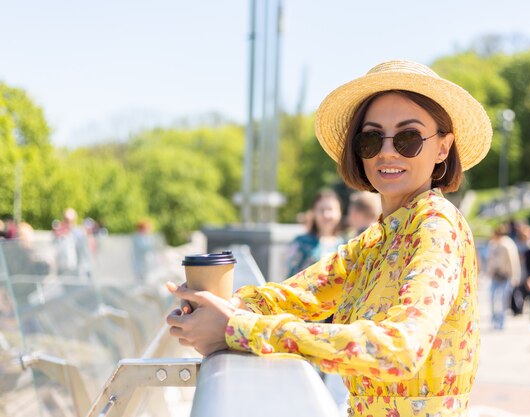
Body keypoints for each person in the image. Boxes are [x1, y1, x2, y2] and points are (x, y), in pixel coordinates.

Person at [166, 60, 492, 416]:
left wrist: (235, 328)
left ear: (443, 148)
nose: (387, 151)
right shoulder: (377, 240)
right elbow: (298, 295)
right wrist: (214, 306)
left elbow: (400, 349)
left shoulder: (436, 224)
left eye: (408, 138)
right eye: (371, 138)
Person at [285, 189, 346, 278]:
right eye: (321, 210)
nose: (326, 215)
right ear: (313, 212)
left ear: (340, 212)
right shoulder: (301, 243)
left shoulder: (344, 246)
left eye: (330, 209)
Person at [486, 224, 521, 330]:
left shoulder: (507, 244)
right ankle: (494, 319)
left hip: (505, 275)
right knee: (491, 297)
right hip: (495, 275)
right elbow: (490, 260)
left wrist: (514, 276)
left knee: (503, 299)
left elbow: (513, 261)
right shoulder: (493, 244)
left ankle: (501, 321)